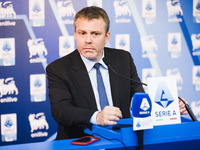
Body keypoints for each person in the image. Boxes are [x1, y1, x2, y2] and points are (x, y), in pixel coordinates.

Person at [46, 6, 188, 140]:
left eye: (95, 34)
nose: (87, 40)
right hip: (81, 143)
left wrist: (168, 107)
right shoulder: (58, 69)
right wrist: (97, 117)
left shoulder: (123, 59)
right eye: (82, 33)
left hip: (123, 141)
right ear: (75, 34)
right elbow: (61, 111)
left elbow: (139, 97)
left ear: (107, 37)